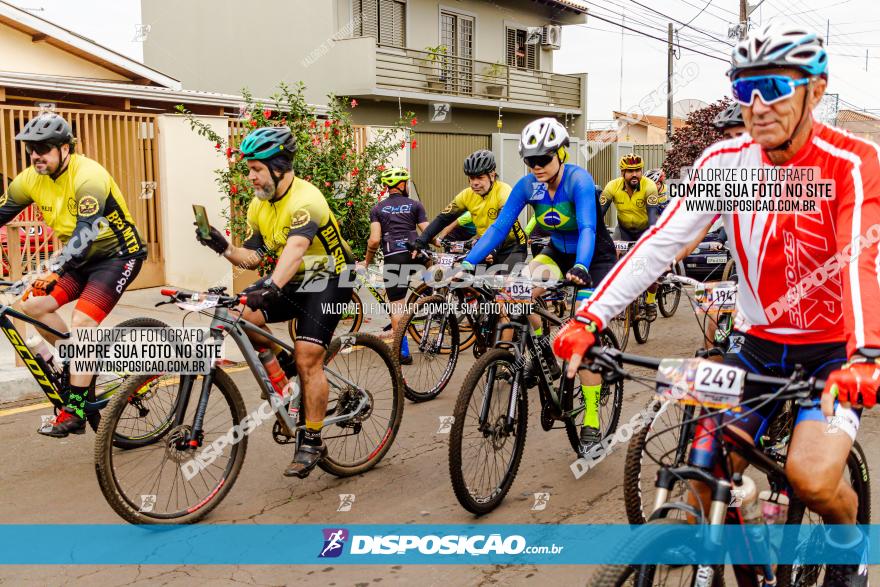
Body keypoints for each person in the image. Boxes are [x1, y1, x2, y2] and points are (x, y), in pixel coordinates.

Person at [554, 23, 878, 584]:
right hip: (755, 350)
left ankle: (851, 550)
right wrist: (590, 317)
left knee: (812, 479)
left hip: (831, 355)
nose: (757, 105)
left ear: (816, 89)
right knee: (703, 473)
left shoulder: (850, 163)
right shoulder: (726, 164)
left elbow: (859, 260)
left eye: (774, 86)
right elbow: (662, 244)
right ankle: (753, 554)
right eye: (742, 88)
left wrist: (865, 354)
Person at [196, 126, 354, 479]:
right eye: (249, 169)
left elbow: (296, 251)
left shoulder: (306, 200)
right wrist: (220, 245)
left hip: (329, 277)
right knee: (240, 312)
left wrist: (270, 286)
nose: (250, 176)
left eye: (256, 169)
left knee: (309, 357)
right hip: (295, 276)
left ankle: (312, 439)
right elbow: (253, 258)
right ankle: (284, 373)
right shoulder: (260, 205)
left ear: (279, 167)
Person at [461, 117, 617, 448]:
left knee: (582, 339)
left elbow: (588, 227)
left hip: (594, 259)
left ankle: (590, 419)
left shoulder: (579, 181)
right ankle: (545, 356)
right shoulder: (528, 185)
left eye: (543, 159)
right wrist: (467, 263)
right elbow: (500, 227)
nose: (536, 166)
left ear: (561, 154)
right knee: (514, 295)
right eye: (530, 160)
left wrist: (580, 266)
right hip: (555, 254)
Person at [5, 113, 147, 437]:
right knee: (31, 306)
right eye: (31, 149)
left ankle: (76, 410)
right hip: (79, 260)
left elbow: (85, 235)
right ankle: (80, 361)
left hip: (117, 255)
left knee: (84, 320)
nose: (35, 155)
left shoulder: (89, 176)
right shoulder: (30, 178)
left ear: (65, 148)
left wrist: (51, 269)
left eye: (43, 148)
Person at [413, 149, 527, 274]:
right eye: (471, 178)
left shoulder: (503, 192)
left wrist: (491, 250)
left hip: (511, 246)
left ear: (492, 176)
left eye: (479, 177)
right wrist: (420, 242)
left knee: (504, 286)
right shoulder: (467, 195)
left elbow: (502, 228)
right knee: (468, 283)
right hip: (485, 243)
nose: (474, 183)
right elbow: (443, 218)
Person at [361, 167, 428, 365]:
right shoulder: (415, 205)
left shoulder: (377, 209)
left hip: (394, 257)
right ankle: (432, 297)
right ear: (402, 185)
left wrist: (367, 261)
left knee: (397, 307)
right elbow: (427, 233)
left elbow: (374, 241)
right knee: (432, 267)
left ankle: (403, 352)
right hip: (416, 254)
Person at [600, 154, 661, 319]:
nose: (634, 174)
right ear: (622, 173)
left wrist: (651, 240)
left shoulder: (650, 187)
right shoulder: (612, 186)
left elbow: (653, 217)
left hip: (644, 229)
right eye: (630, 171)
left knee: (649, 268)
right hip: (623, 229)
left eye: (638, 170)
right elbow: (599, 214)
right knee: (613, 262)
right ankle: (620, 300)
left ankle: (650, 301)